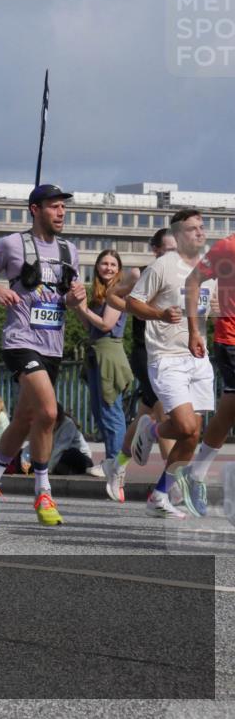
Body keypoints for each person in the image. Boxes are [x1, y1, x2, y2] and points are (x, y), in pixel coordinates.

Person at [0, 184, 86, 525]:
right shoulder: (12, 244)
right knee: (48, 413)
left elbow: (64, 298)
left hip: (53, 346)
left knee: (24, 419)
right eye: (54, 207)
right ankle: (43, 491)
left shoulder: (70, 251)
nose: (61, 213)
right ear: (35, 209)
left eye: (63, 207)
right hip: (20, 341)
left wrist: (75, 297)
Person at [127, 209, 216, 518]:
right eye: (192, 229)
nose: (200, 233)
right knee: (185, 426)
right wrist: (161, 314)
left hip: (198, 358)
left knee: (193, 434)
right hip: (166, 357)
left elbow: (207, 307)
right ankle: (152, 429)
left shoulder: (210, 269)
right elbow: (133, 303)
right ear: (179, 235)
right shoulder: (163, 266)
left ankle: (160, 493)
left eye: (202, 228)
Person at [103, 229, 178, 502]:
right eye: (168, 249)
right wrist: (134, 306)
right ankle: (171, 487)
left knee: (146, 415)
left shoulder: (183, 276)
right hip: (146, 353)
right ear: (156, 250)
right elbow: (112, 297)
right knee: (167, 415)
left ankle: (118, 464)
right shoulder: (140, 274)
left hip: (172, 354)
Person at [183, 231, 235, 518]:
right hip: (231, 339)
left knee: (228, 410)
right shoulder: (227, 246)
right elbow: (193, 280)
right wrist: (193, 330)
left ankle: (197, 473)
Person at [73, 249, 132, 480]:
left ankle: (115, 463)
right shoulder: (100, 292)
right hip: (97, 351)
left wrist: (83, 308)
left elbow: (106, 325)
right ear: (97, 267)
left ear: (119, 269)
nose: (108, 268)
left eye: (113, 264)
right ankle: (111, 461)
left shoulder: (118, 292)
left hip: (109, 352)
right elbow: (91, 327)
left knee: (110, 411)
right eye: (104, 263)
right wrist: (79, 306)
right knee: (100, 411)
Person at [21, 403, 94, 475]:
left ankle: (55, 470)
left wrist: (46, 471)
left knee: (70, 454)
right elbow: (31, 446)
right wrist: (25, 462)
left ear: (57, 420)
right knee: (23, 455)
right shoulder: (42, 425)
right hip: (55, 459)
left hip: (77, 458)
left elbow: (60, 449)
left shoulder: (68, 425)